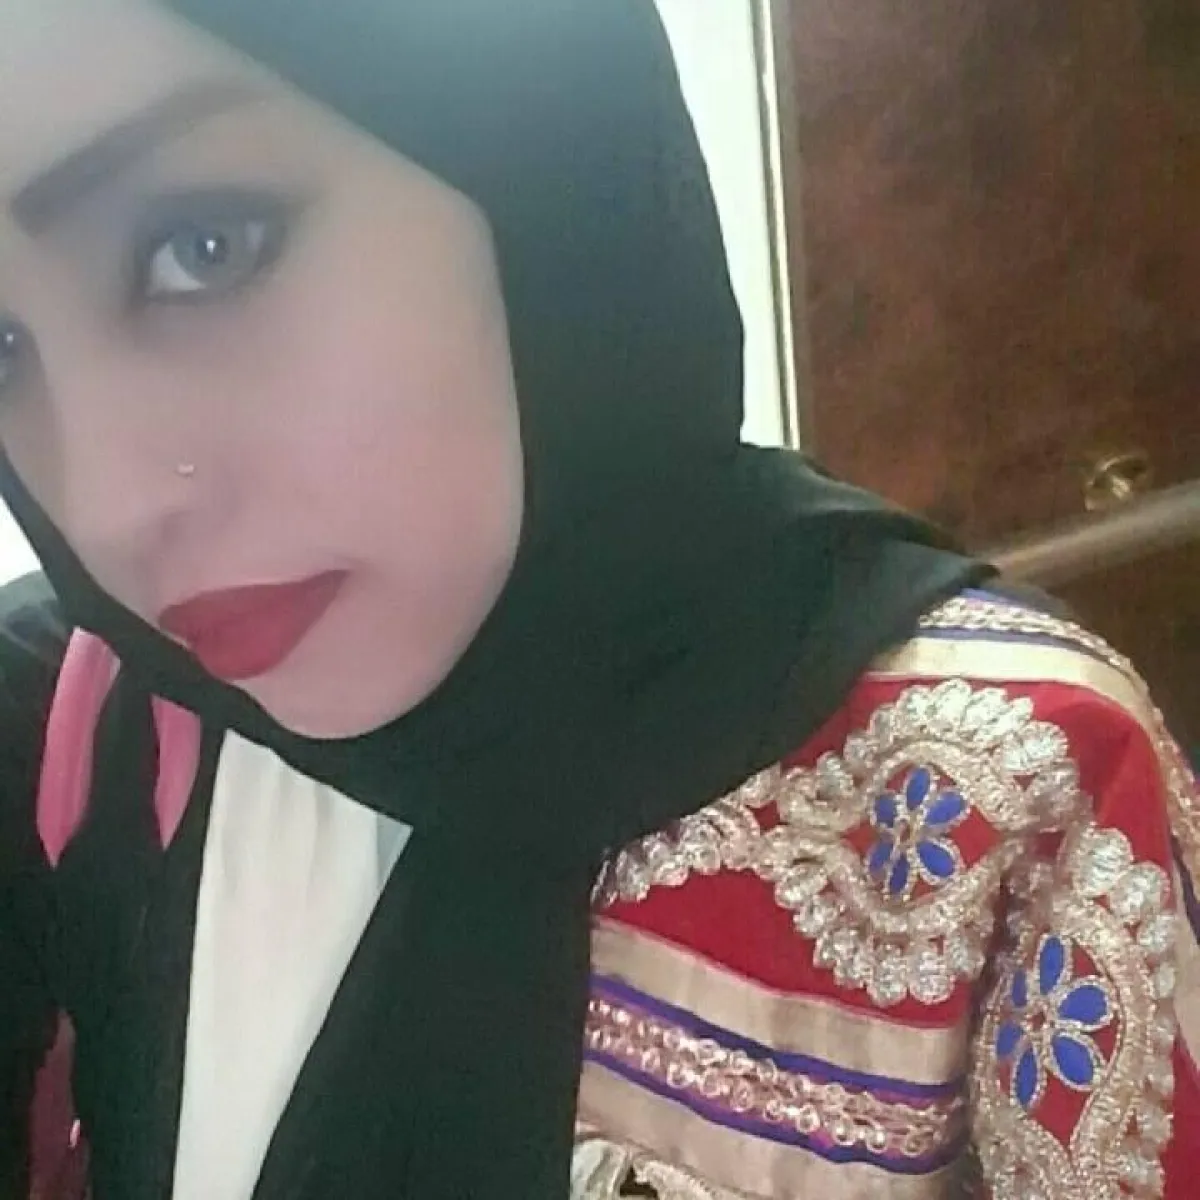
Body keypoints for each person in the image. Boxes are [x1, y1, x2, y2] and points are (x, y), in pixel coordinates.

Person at [0, 1, 1195, 1197]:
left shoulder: (1017, 796)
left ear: (540, 158)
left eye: (204, 246)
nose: (105, 508)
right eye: (2, 350)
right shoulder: (126, 712)